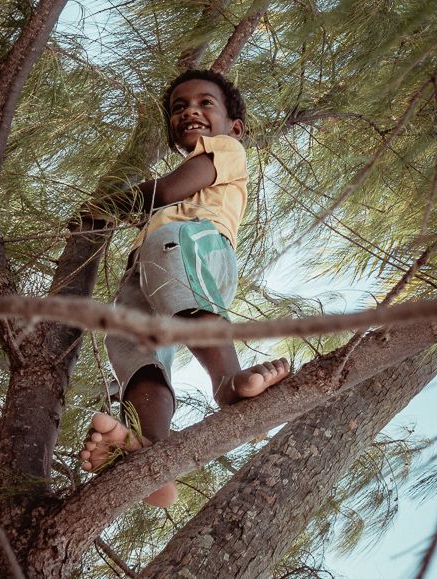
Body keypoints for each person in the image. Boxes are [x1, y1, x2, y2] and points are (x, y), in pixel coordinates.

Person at [79, 69, 290, 507]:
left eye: (204, 103)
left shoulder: (227, 150)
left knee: (174, 271)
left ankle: (227, 379)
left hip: (195, 243)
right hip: (149, 263)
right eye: (178, 107)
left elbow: (168, 189)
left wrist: (106, 207)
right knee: (133, 348)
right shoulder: (199, 161)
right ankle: (150, 446)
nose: (190, 110)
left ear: (234, 126)